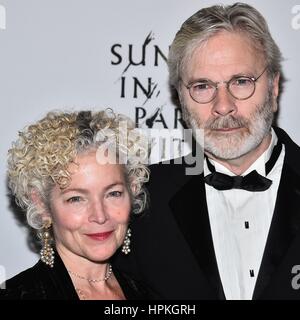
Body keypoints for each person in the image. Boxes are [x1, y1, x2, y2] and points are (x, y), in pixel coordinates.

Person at [115, 3, 300, 299]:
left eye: (241, 82)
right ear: (180, 98)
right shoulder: (139, 201)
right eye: (202, 86)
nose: (223, 106)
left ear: (274, 87)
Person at [0, 109, 155, 300]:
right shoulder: (17, 295)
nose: (100, 216)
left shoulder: (149, 295)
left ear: (132, 193)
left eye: (113, 194)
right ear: (41, 205)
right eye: (76, 199)